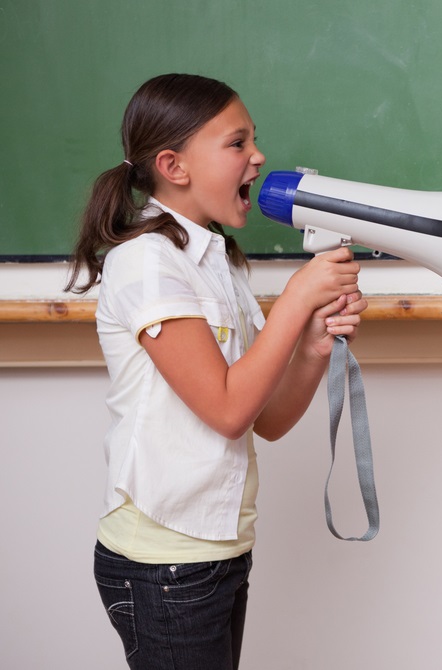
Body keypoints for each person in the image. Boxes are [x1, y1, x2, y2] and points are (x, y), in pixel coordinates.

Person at [66, 73, 366, 670]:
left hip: (219, 550)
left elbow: (268, 418)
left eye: (255, 140)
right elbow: (227, 411)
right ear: (174, 166)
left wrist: (310, 344)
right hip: (164, 561)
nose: (258, 157)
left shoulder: (216, 263)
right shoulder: (146, 265)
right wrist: (297, 301)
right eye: (237, 144)